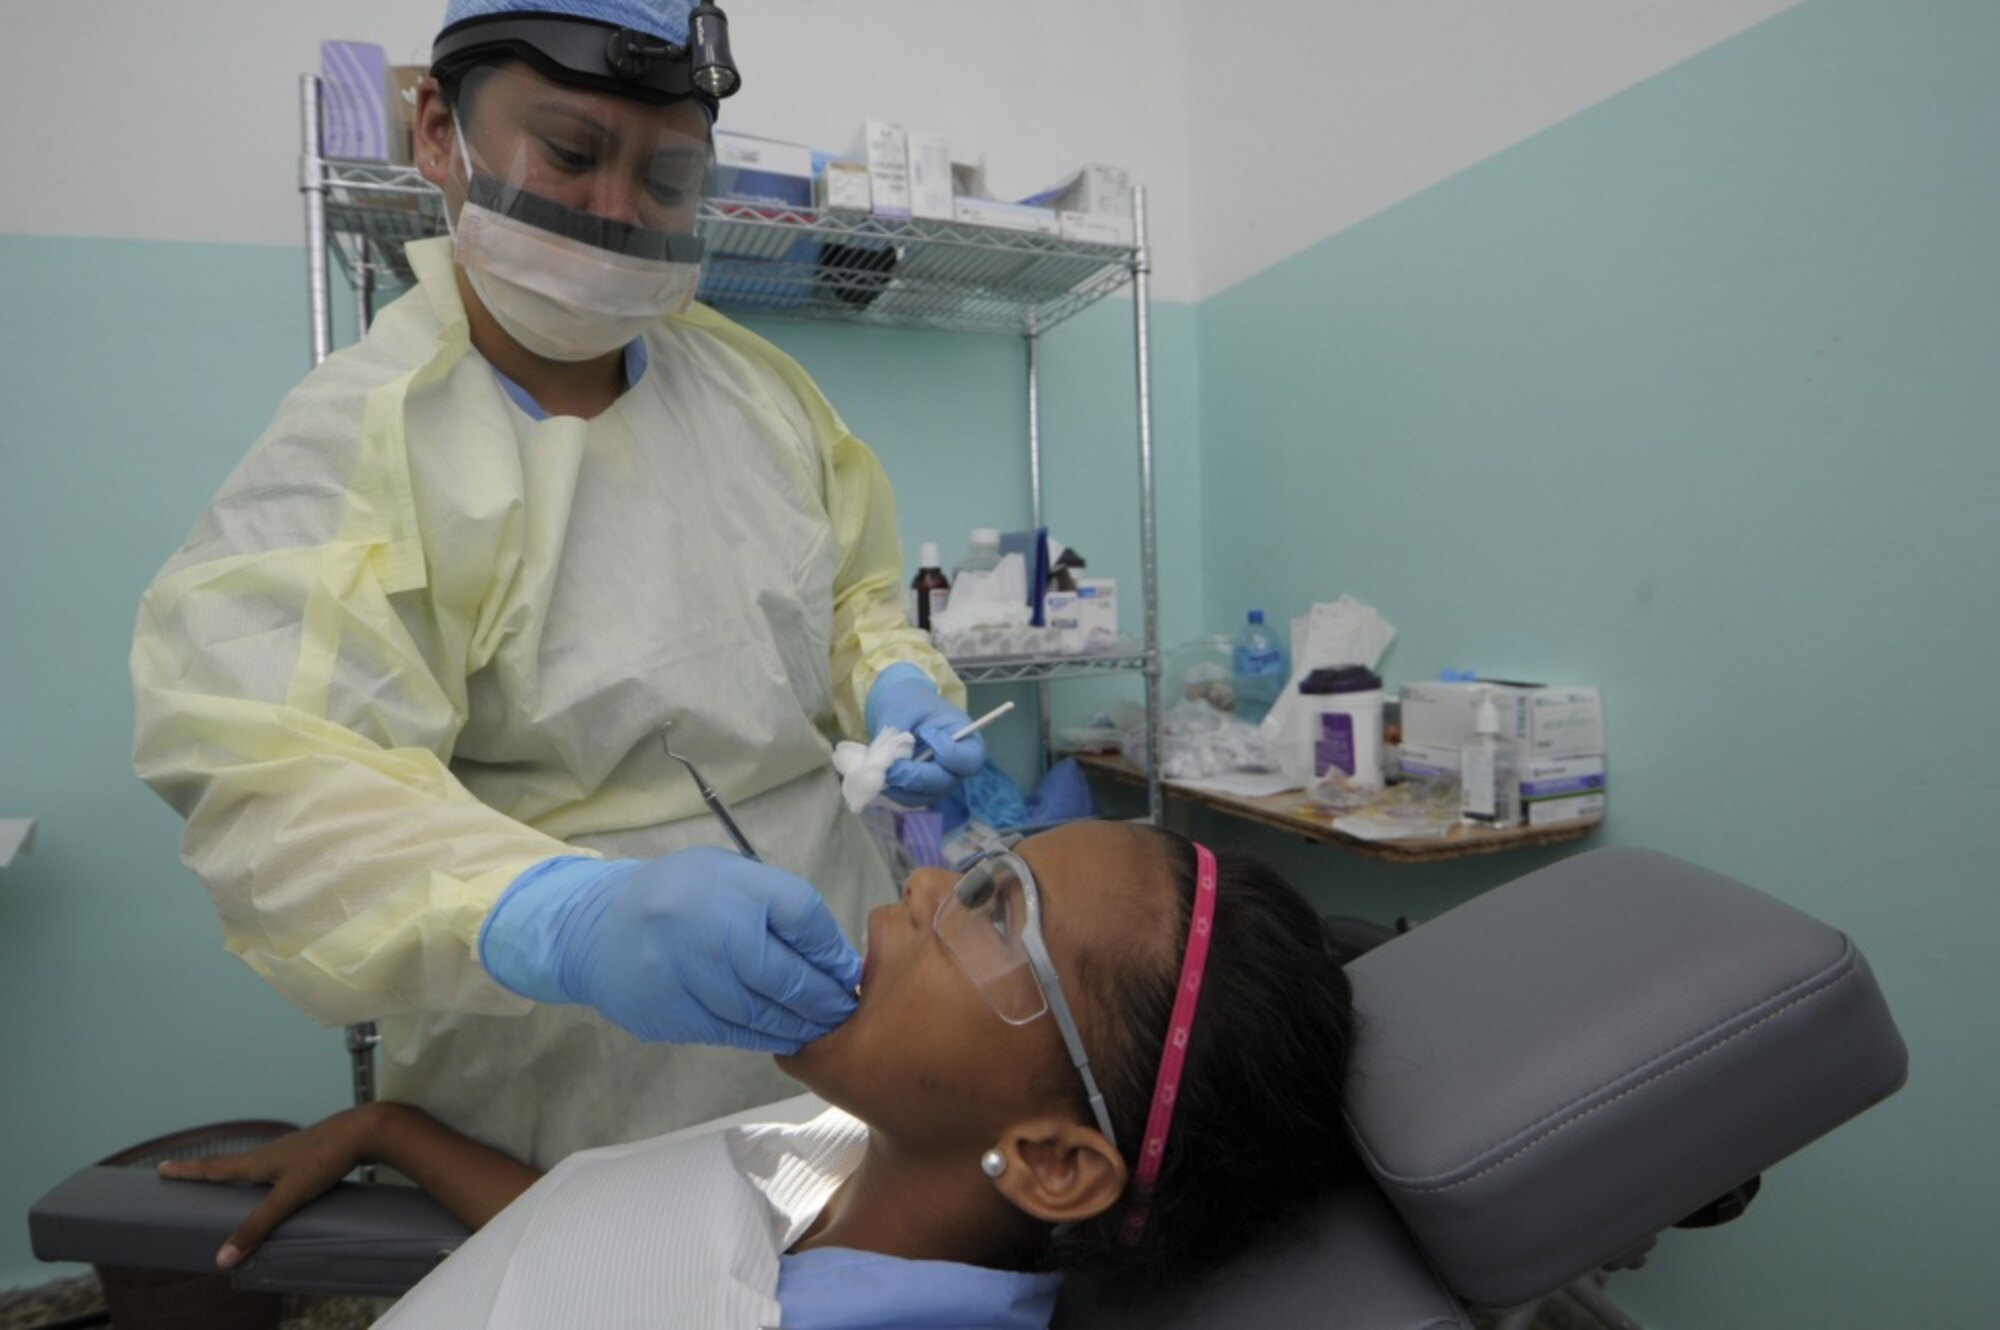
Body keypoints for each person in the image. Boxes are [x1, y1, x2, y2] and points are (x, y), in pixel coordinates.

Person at [129, 0, 985, 1172]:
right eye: (572, 154)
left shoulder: (753, 394)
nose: (619, 213)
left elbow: (849, 595)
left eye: (670, 177)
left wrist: (892, 680)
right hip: (562, 1092)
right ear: (437, 130)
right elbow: (274, 784)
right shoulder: (361, 448)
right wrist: (561, 916)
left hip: (832, 1038)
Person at [160, 822, 1360, 1326]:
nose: (929, 886)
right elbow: (629, 1253)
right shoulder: (847, 1162)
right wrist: (390, 1125)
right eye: (979, 863)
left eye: (999, 917)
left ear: (1051, 1160)